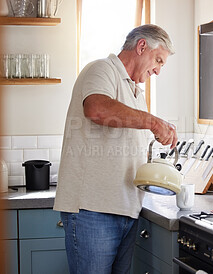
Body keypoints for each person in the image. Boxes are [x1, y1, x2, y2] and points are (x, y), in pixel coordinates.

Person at [53, 24, 177, 274]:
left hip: (125, 211)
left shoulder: (135, 91)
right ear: (142, 46)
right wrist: (153, 122)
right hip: (93, 212)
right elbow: (97, 108)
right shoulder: (101, 69)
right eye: (158, 61)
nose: (158, 70)